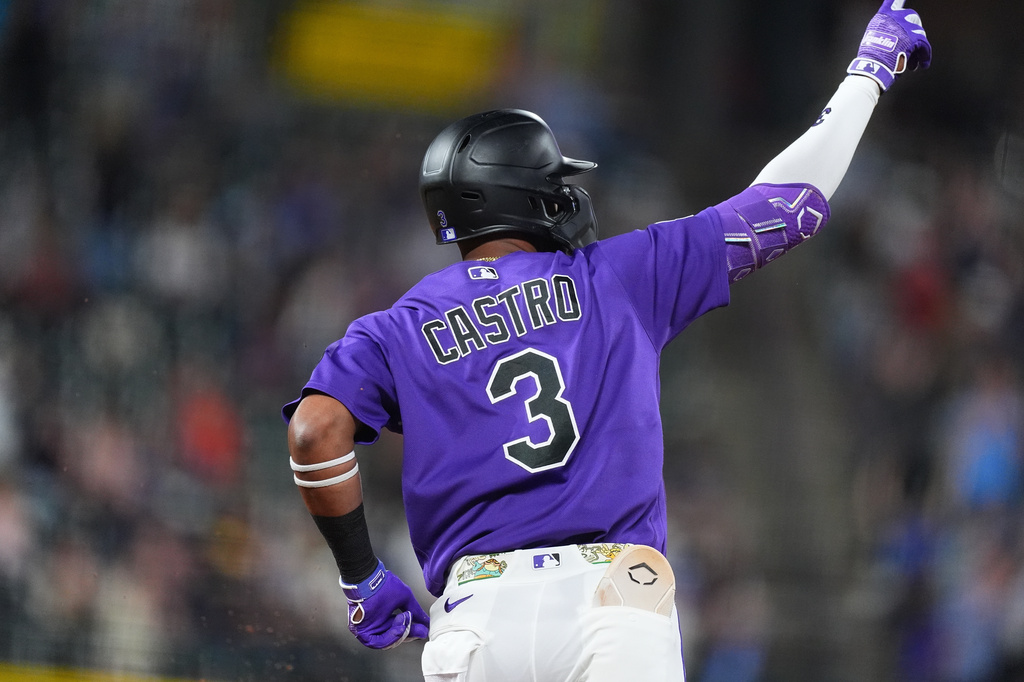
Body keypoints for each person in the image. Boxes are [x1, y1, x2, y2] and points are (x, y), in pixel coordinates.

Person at [282, 2, 931, 679]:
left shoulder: (393, 328)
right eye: (555, 181)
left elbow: (313, 433)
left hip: (475, 619)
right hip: (613, 601)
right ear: (525, 194)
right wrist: (870, 70)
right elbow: (789, 205)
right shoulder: (617, 275)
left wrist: (361, 579)